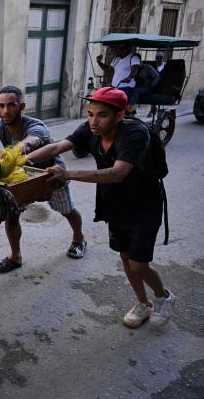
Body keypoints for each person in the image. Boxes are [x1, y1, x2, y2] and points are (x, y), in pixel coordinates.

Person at [27, 87, 175, 328]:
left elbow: (118, 174)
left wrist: (67, 174)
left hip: (144, 205)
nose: (93, 121)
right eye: (90, 114)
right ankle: (142, 303)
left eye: (102, 115)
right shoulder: (90, 128)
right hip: (114, 203)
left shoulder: (135, 133)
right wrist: (19, 159)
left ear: (119, 116)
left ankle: (163, 296)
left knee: (138, 263)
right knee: (125, 257)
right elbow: (55, 148)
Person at [0, 85, 86, 273]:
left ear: (21, 106)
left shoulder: (35, 126)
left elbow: (30, 143)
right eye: (2, 106)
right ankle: (15, 257)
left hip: (49, 174)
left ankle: (79, 239)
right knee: (11, 214)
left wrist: (10, 154)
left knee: (67, 210)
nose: (6, 110)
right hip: (19, 175)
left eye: (11, 105)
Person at [96, 45, 142, 111]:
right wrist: (99, 62)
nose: (115, 51)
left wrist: (129, 77)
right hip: (115, 87)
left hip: (127, 87)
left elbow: (135, 69)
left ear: (125, 49)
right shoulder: (116, 59)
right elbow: (108, 70)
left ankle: (128, 113)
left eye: (117, 49)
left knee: (119, 107)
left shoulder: (133, 57)